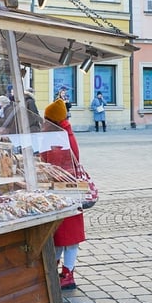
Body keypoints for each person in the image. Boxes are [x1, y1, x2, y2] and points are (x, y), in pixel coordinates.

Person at [43, 97, 86, 290]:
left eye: (46, 119)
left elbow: (55, 163)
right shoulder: (62, 133)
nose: (44, 122)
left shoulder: (61, 137)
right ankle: (56, 270)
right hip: (64, 189)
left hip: (66, 191)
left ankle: (68, 275)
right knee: (61, 236)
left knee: (68, 237)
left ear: (53, 120)